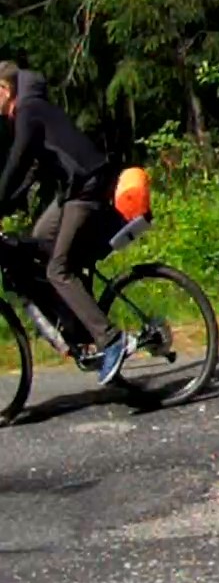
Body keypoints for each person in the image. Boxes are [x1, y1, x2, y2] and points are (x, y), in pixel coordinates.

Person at [0, 62, 131, 382]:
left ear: (5, 90)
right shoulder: (31, 112)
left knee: (57, 268)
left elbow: (17, 162)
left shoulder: (29, 110)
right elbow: (30, 171)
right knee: (41, 237)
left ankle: (111, 339)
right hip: (73, 189)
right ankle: (77, 318)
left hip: (87, 187)